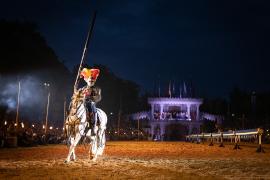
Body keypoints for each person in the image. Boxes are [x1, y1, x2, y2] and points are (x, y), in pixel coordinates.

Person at [79, 68, 101, 135]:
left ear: (94, 81)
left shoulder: (97, 89)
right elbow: (79, 95)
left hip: (91, 103)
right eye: (90, 80)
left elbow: (98, 97)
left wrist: (91, 99)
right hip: (83, 103)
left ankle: (92, 128)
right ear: (86, 80)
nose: (91, 81)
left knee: (92, 111)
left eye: (92, 80)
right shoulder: (83, 88)